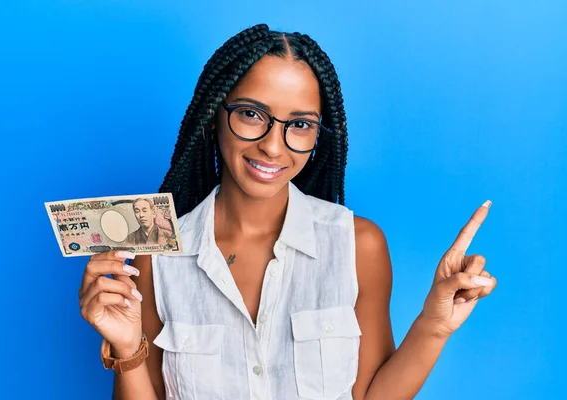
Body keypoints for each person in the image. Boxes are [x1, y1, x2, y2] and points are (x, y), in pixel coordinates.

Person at [78, 24, 497, 400]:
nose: (273, 147)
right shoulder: (158, 258)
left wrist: (433, 325)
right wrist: (126, 347)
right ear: (213, 117)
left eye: (299, 125)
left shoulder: (359, 245)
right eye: (250, 114)